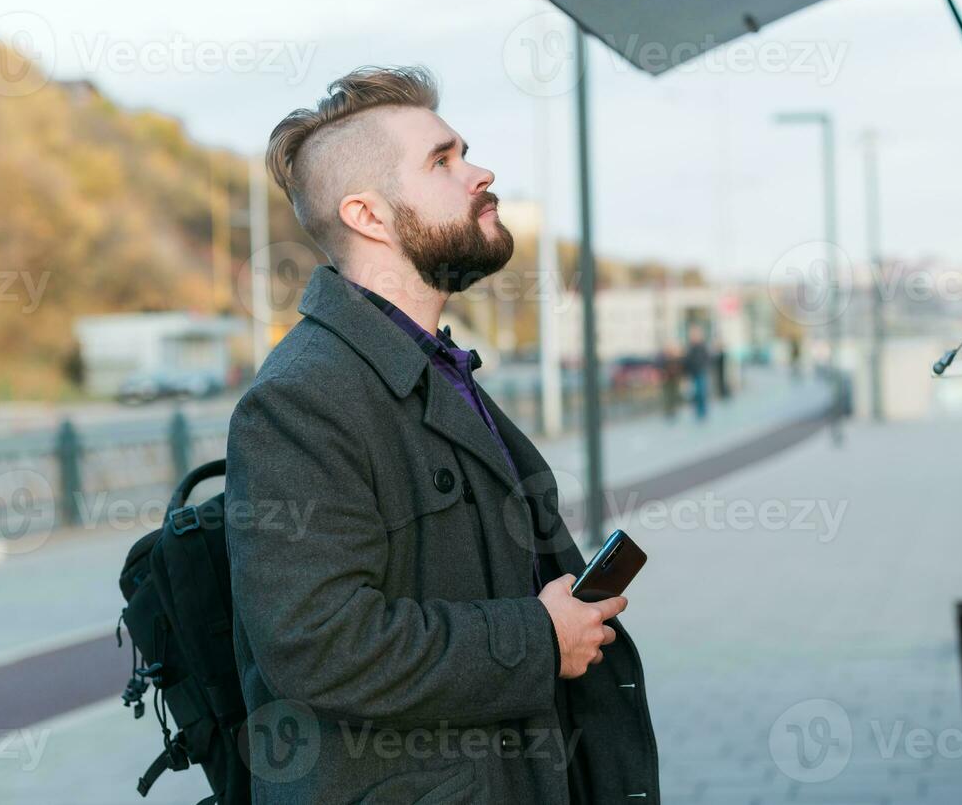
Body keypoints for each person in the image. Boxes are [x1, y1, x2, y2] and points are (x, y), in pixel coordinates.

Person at [225, 67, 659, 804]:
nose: (480, 172)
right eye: (443, 160)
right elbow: (316, 644)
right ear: (368, 215)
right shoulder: (301, 398)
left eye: (465, 151)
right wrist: (539, 638)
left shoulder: (432, 366)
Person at [684, 323, 710, 421]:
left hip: (701, 372)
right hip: (693, 373)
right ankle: (698, 411)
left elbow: (707, 358)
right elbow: (686, 360)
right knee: (695, 393)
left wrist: (704, 366)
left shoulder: (702, 346)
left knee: (701, 392)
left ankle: (702, 412)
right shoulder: (690, 347)